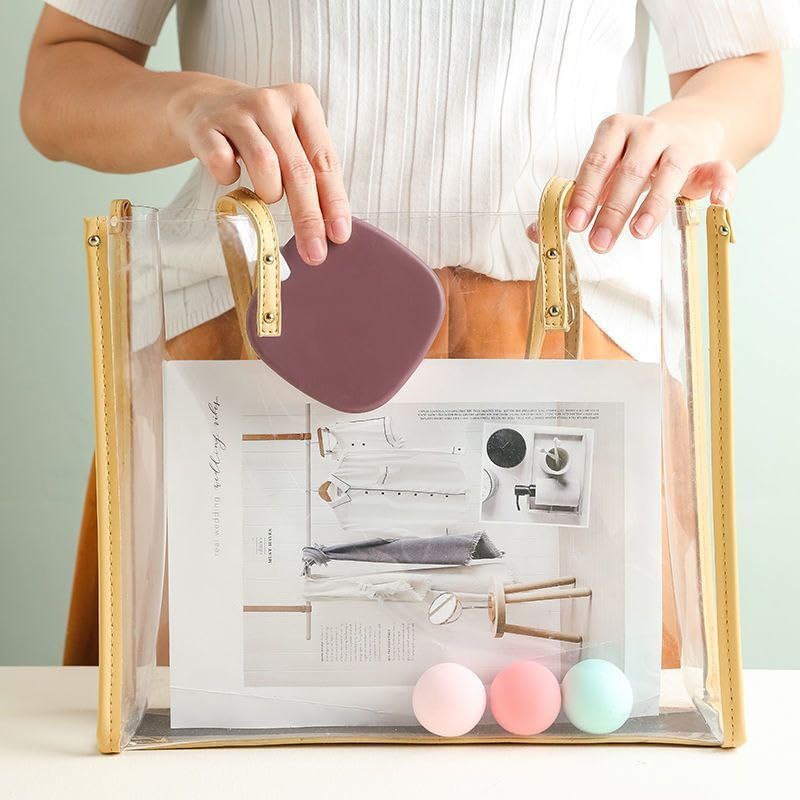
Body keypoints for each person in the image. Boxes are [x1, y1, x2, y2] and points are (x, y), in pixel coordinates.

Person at [21, 1, 798, 666]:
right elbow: (60, 74)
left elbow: (743, 64)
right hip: (255, 359)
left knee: (599, 746)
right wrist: (186, 104)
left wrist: (694, 125)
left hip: (568, 365)